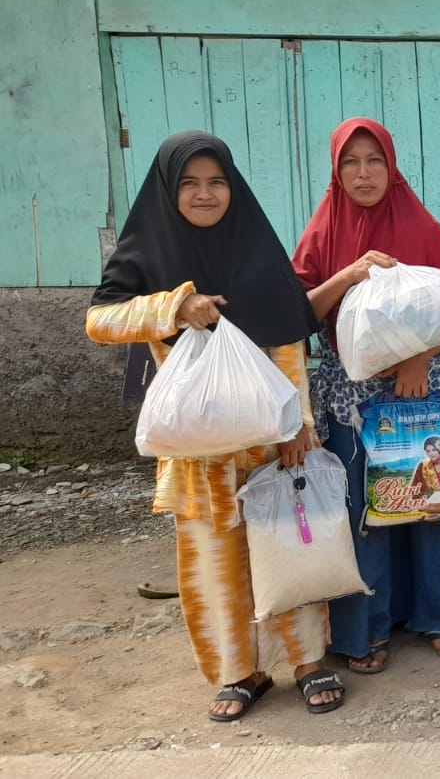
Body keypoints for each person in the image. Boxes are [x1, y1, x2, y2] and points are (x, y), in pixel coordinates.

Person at [86, 131, 345, 721]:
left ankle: (308, 661)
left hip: (267, 438)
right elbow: (99, 320)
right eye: (190, 184)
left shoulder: (256, 247)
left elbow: (287, 339)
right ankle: (240, 671)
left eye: (217, 182)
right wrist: (173, 305)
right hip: (195, 444)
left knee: (288, 542)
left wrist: (298, 422)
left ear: (233, 187)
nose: (205, 194)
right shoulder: (146, 253)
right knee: (212, 562)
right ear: (168, 191)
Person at [294, 117, 440, 673]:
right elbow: (297, 314)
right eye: (351, 162)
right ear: (337, 171)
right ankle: (368, 626)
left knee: (431, 497)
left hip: (422, 388)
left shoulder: (418, 223)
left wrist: (418, 358)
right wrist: (348, 275)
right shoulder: (323, 231)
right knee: (367, 507)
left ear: (391, 166)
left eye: (374, 161)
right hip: (351, 400)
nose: (364, 174)